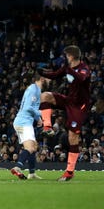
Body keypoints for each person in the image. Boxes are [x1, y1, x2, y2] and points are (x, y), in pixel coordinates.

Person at [38, 45, 91, 181]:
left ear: (72, 56)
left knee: (72, 138)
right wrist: (42, 72)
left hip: (79, 106)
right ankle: (47, 127)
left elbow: (81, 78)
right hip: (69, 101)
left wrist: (69, 71)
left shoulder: (84, 68)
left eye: (67, 56)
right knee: (45, 96)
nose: (65, 58)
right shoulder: (68, 68)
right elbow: (55, 75)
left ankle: (69, 171)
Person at [11, 73, 49, 180]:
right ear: (42, 79)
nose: (50, 81)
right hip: (23, 122)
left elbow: (30, 107)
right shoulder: (34, 89)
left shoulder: (35, 89)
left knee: (34, 146)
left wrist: (38, 118)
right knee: (30, 147)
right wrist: (41, 114)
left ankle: (32, 173)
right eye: (48, 79)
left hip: (24, 121)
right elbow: (28, 107)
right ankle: (17, 167)